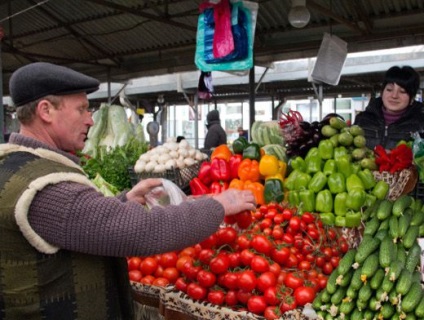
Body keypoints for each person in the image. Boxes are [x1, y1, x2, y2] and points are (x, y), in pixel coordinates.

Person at [0, 62, 256, 319]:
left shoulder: (20, 165)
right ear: (46, 110)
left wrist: (126, 200)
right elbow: (139, 231)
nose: (90, 119)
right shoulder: (43, 187)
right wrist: (219, 205)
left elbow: (74, 224)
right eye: (81, 109)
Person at [354, 65, 424, 150]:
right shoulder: (362, 120)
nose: (394, 96)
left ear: (412, 97)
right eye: (389, 90)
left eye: (402, 91)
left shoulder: (420, 124)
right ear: (382, 92)